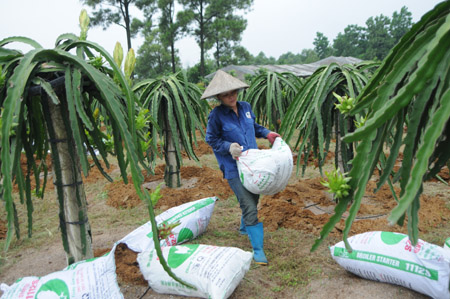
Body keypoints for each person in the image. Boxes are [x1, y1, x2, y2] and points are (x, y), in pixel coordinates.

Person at [202, 70, 280, 265]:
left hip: (252, 164)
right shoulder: (216, 115)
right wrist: (228, 147)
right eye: (227, 94)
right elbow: (211, 139)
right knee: (248, 204)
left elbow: (254, 127)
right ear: (219, 96)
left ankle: (244, 226)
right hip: (233, 167)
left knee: (254, 196)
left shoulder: (245, 107)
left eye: (234, 92)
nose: (231, 97)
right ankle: (258, 249)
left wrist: (267, 133)